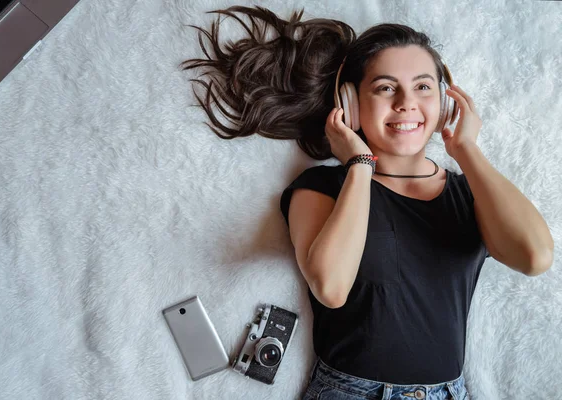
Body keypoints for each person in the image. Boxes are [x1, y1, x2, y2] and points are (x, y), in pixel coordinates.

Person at [181, 6, 554, 399]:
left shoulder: (470, 191)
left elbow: (536, 257)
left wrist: (465, 150)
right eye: (386, 88)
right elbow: (330, 286)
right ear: (352, 102)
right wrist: (359, 165)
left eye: (424, 87)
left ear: (445, 101)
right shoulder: (323, 186)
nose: (407, 103)